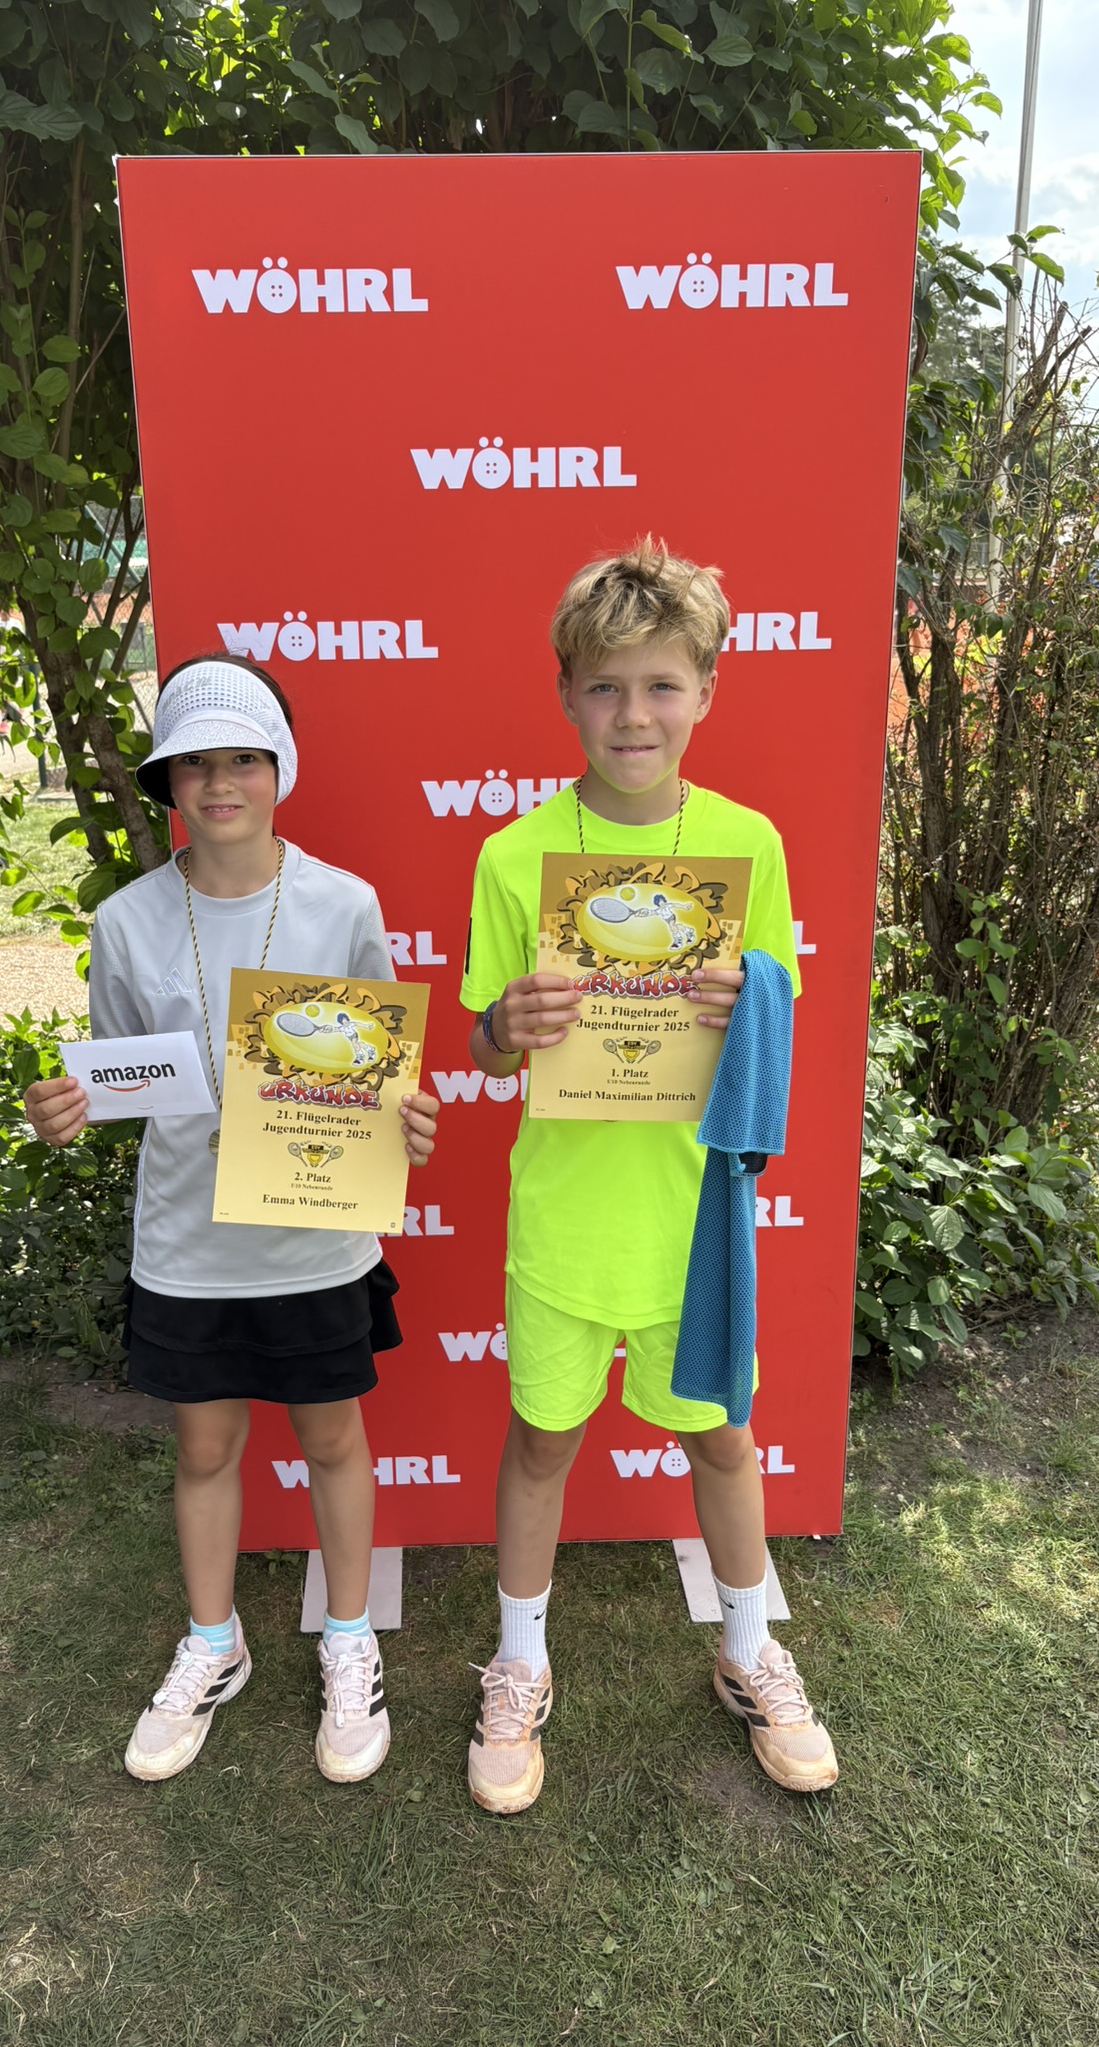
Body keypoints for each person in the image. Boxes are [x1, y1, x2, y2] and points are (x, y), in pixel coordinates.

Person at [459, 540, 838, 1814]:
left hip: (695, 1217)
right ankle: (519, 1663)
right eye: (608, 686)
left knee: (722, 1437)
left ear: (707, 692)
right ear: (567, 694)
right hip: (567, 1213)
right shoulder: (515, 857)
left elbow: (782, 1007)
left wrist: (751, 994)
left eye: (663, 685)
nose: (635, 713)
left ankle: (750, 1647)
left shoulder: (746, 844)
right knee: (541, 1439)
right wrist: (503, 1024)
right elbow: (481, 1041)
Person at [24, 658, 440, 1788]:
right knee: (204, 1449)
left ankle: (348, 1637)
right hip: (188, 1246)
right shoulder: (125, 921)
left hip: (315, 1238)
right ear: (167, 779)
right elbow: (119, 1080)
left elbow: (384, 1071)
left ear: (281, 769)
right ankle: (215, 1641)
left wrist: (404, 1118)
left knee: (332, 1439)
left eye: (244, 759)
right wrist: (68, 1109)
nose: (220, 783)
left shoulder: (344, 904)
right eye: (195, 762)